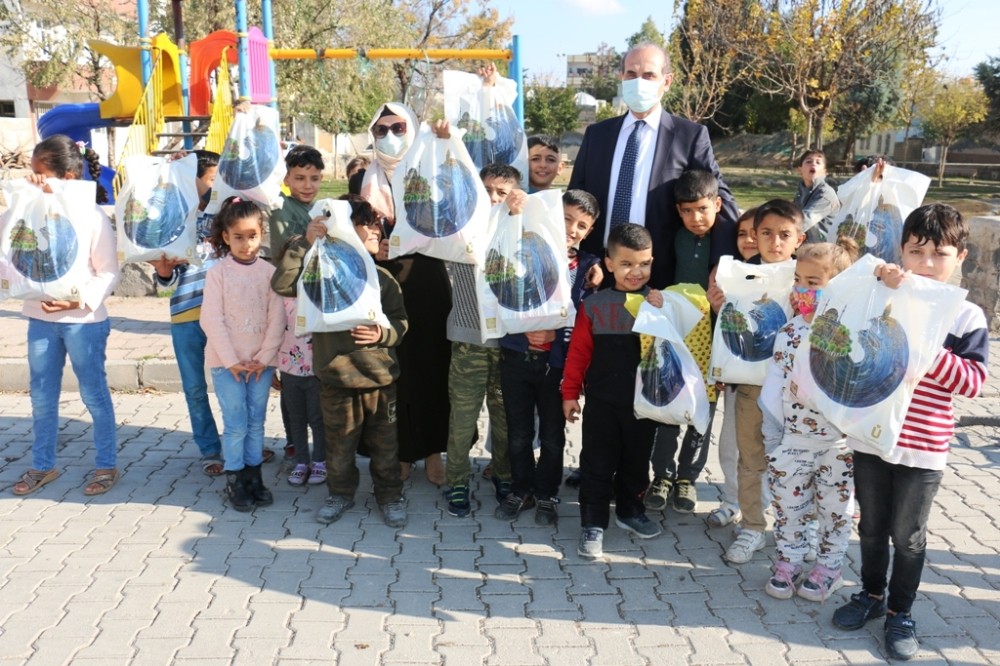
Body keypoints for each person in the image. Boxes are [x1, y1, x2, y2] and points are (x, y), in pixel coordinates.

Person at [832, 204, 988, 661]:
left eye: (938, 253)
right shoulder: (882, 294)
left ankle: (901, 611)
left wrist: (924, 347)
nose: (925, 263)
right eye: (916, 250)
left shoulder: (965, 316)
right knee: (873, 527)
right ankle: (870, 595)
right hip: (871, 438)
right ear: (901, 250)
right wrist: (873, 285)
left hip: (924, 449)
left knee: (908, 535)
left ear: (960, 256)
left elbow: (974, 382)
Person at [271, 197, 409, 529]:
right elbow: (281, 284)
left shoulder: (382, 280)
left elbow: (401, 324)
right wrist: (305, 243)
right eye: (368, 225)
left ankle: (390, 496)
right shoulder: (319, 276)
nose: (377, 230)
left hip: (380, 380)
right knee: (339, 445)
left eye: (378, 225)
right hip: (336, 378)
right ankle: (340, 494)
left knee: (386, 447)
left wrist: (381, 333)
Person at [568, 43, 739, 290]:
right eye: (631, 74)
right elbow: (576, 199)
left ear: (666, 81)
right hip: (598, 271)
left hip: (660, 275)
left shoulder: (689, 136)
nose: (639, 82)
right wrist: (579, 256)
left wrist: (720, 262)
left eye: (649, 75)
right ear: (622, 77)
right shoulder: (597, 134)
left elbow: (718, 197)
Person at [10, 135, 121, 496]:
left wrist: (77, 303)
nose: (37, 180)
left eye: (42, 174)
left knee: (93, 394)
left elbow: (108, 272)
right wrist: (22, 198)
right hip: (40, 320)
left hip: (84, 323)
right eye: (33, 174)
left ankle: (106, 465)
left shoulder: (91, 217)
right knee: (41, 395)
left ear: (68, 178)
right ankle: (43, 466)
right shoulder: (25, 212)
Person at [760, 240, 859, 602]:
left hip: (838, 444)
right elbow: (774, 386)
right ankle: (789, 562)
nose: (802, 289)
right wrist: (773, 435)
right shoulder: (789, 333)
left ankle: (829, 567)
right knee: (789, 508)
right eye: (799, 279)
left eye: (814, 282)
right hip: (795, 441)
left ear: (839, 285)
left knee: (836, 510)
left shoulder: (851, 334)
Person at [707, 199, 805, 564]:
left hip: (797, 390)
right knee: (750, 458)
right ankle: (751, 527)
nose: (775, 242)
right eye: (766, 233)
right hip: (750, 385)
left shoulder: (809, 274)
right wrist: (721, 307)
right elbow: (735, 330)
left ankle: (798, 527)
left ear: (800, 238)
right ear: (754, 236)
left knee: (796, 460)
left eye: (784, 235)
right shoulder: (738, 275)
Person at [500, 189, 602, 525]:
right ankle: (521, 488)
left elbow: (582, 319)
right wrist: (513, 213)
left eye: (582, 225)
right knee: (518, 433)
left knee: (553, 436)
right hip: (516, 357)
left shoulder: (587, 269)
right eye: (567, 218)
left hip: (554, 366)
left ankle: (546, 493)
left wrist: (554, 334)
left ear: (589, 232)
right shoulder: (523, 249)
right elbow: (501, 290)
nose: (572, 229)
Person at [362, 102, 451, 486]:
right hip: (382, 285)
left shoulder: (431, 172)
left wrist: (447, 144)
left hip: (429, 282)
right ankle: (400, 452)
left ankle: (433, 451)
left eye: (398, 127)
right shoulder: (363, 184)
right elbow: (354, 231)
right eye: (381, 130)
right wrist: (370, 247)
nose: (390, 137)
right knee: (394, 372)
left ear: (412, 130)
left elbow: (455, 211)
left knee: (432, 367)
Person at [563, 223, 663, 558]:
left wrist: (666, 309)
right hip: (602, 404)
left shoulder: (657, 303)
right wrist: (569, 394)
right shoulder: (594, 306)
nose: (637, 272)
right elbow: (578, 353)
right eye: (627, 264)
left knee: (636, 462)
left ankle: (630, 511)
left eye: (644, 263)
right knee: (597, 463)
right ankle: (593, 522)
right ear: (609, 263)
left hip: (644, 405)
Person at [151, 150, 243, 477]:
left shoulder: (226, 219)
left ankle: (241, 442)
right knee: (194, 387)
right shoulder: (171, 221)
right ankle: (210, 450)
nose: (216, 185)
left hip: (226, 318)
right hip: (186, 317)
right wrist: (163, 271)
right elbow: (167, 281)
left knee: (235, 382)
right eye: (210, 178)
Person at [442, 161, 518, 518]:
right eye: (486, 190)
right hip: (469, 342)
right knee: (462, 418)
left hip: (508, 346)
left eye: (501, 192)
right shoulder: (460, 232)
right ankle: (456, 480)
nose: (493, 198)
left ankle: (503, 474)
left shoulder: (521, 232)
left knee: (505, 419)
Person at [200, 197, 286, 511]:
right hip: (227, 365)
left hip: (260, 365)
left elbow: (277, 317)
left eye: (252, 236)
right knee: (236, 422)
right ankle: (235, 477)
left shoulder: (269, 272)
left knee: (256, 422)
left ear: (261, 234)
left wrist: (263, 358)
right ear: (226, 237)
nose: (246, 244)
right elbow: (211, 319)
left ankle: (254, 476)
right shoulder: (218, 274)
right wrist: (232, 360)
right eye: (238, 237)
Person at [645, 169, 722, 514]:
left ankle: (688, 478)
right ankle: (662, 475)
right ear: (678, 211)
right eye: (687, 211)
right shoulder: (671, 238)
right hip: (676, 339)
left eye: (703, 209)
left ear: (718, 205)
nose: (696, 218)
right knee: (668, 407)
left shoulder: (725, 241)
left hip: (713, 343)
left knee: (702, 411)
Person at [706, 208, 758, 528]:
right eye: (742, 233)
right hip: (738, 377)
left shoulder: (788, 274)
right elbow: (722, 326)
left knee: (764, 448)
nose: (750, 239)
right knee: (730, 443)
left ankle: (762, 508)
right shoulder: (730, 274)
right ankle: (731, 499)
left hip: (774, 382)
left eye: (759, 232)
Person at [276, 291, 326, 487]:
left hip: (316, 371)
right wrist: (271, 365)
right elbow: (273, 331)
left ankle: (320, 460)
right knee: (296, 419)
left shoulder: (320, 296)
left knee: (317, 419)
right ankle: (301, 461)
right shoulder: (280, 298)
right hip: (289, 370)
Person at [269, 144, 326, 255]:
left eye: (314, 179)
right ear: (286, 179)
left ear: (321, 179)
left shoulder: (323, 210)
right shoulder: (279, 204)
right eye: (300, 178)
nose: (308, 185)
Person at [793, 149, 841, 244]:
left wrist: (779, 232)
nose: (813, 164)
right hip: (805, 251)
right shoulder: (799, 194)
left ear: (824, 172)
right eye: (808, 161)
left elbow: (805, 221)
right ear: (800, 170)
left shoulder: (826, 194)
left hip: (823, 252)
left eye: (818, 162)